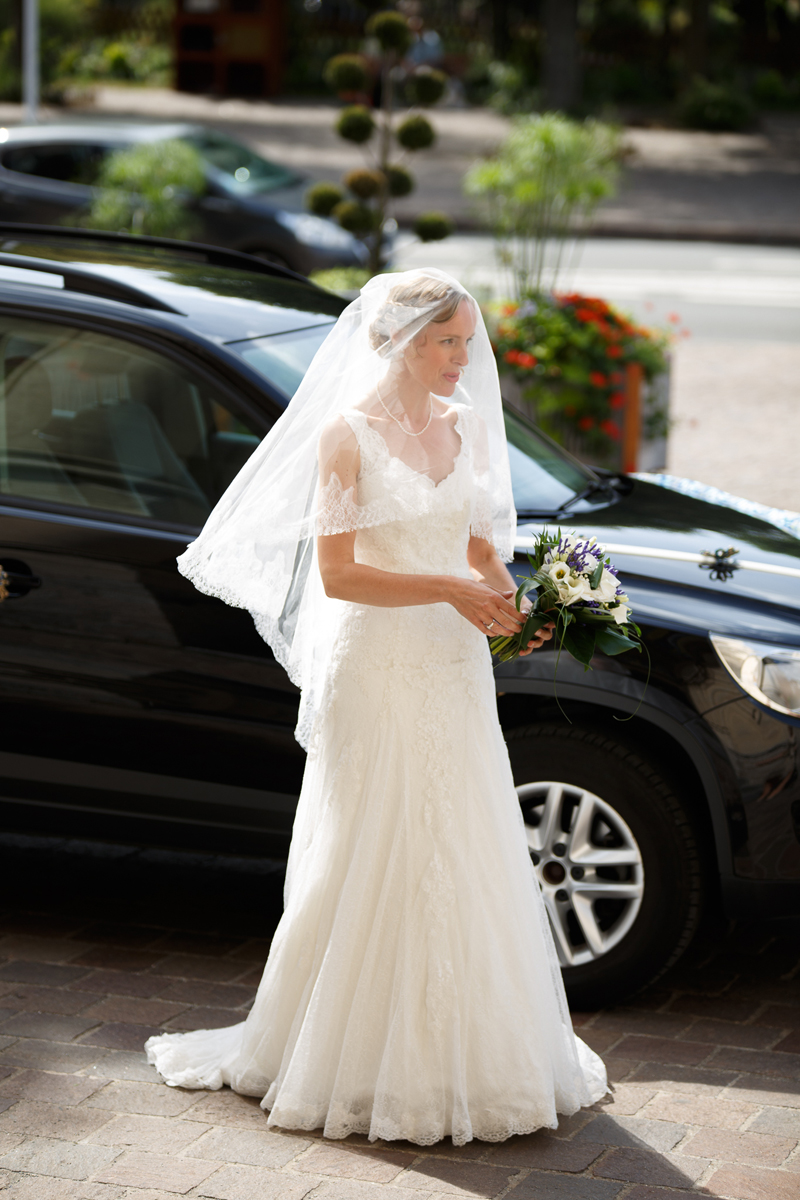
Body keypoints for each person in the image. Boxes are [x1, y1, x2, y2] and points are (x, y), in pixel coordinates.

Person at [145, 269, 608, 1146]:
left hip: (453, 663)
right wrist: (448, 589)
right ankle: (345, 1056)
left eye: (468, 342)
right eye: (446, 342)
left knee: (462, 839)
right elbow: (339, 575)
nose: (462, 359)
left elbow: (475, 545)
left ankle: (471, 1057)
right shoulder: (345, 436)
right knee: (375, 842)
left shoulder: (467, 425)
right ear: (395, 342)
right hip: (378, 662)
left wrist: (515, 610)